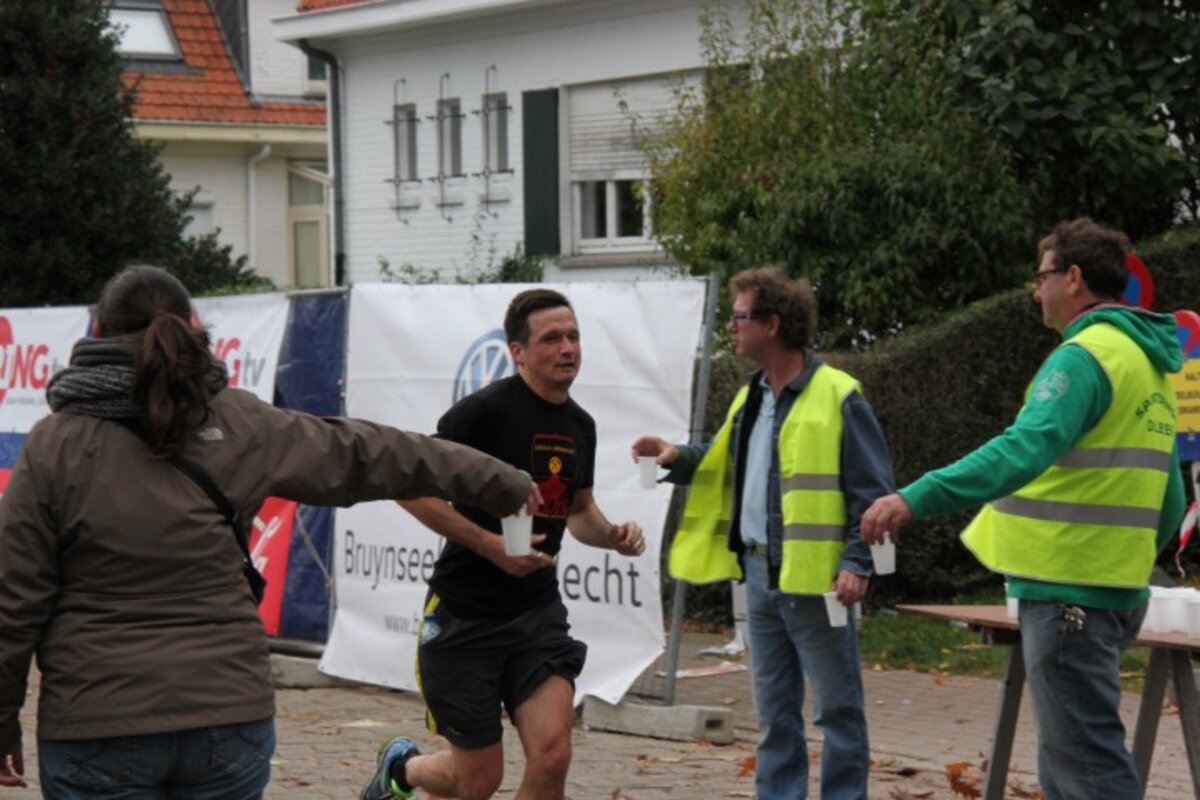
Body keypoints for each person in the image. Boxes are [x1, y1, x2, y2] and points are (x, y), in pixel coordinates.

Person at [0, 266, 538, 798]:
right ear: (193, 327)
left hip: (98, 722)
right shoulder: (241, 422)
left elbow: (13, 599)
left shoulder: (55, 444)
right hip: (227, 715)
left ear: (96, 333)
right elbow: (367, 452)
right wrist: (500, 481)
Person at [861, 218, 1186, 800]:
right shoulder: (1149, 364)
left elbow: (1021, 450)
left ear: (1074, 278)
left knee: (1087, 771)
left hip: (1067, 590)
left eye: (1041, 277)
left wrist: (916, 495)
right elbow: (1172, 498)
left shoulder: (1082, 357)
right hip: (1115, 591)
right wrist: (1128, 558)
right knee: (1069, 765)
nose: (1036, 291)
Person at [361, 289, 645, 800]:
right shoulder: (483, 413)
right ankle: (403, 769)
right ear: (518, 351)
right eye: (552, 338)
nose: (568, 348)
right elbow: (408, 487)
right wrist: (490, 544)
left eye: (574, 336)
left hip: (536, 615)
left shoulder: (580, 426)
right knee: (477, 780)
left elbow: (578, 510)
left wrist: (613, 537)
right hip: (464, 616)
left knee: (553, 755)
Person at [632, 267, 894, 800]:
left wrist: (857, 563)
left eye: (739, 317)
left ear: (772, 324)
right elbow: (721, 460)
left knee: (838, 712)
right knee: (774, 714)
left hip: (820, 583)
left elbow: (875, 495)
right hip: (758, 572)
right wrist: (675, 456)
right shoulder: (751, 395)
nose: (730, 328)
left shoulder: (839, 395)